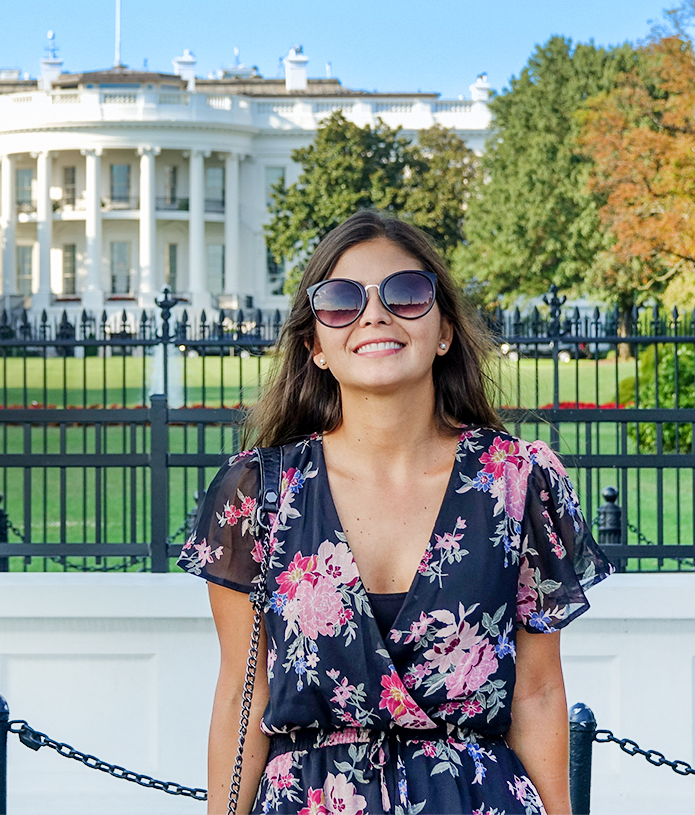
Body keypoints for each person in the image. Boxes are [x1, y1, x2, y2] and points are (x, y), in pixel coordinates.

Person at [179, 211, 611, 814]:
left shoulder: (518, 482)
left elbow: (537, 694)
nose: (374, 315)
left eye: (407, 294)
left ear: (444, 331)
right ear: (316, 346)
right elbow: (241, 698)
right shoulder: (258, 492)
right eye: (339, 301)